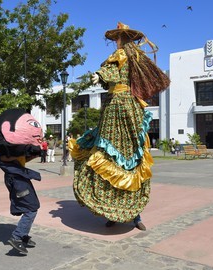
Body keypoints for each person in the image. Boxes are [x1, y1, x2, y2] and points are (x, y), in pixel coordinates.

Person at [69, 22, 170, 230]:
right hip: (115, 108)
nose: (117, 41)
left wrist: (100, 75)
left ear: (125, 38)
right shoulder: (125, 58)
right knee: (111, 159)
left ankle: (135, 215)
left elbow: (113, 72)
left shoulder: (130, 57)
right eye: (116, 38)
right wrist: (101, 76)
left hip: (124, 107)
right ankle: (113, 212)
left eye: (119, 37)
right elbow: (110, 72)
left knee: (132, 160)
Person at [0, 108, 43, 255]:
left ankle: (23, 235)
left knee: (31, 206)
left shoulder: (19, 153)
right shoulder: (8, 154)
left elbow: (25, 159)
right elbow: (6, 159)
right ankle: (17, 237)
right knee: (31, 209)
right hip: (17, 180)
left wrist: (34, 152)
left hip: (20, 178)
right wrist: (23, 149)